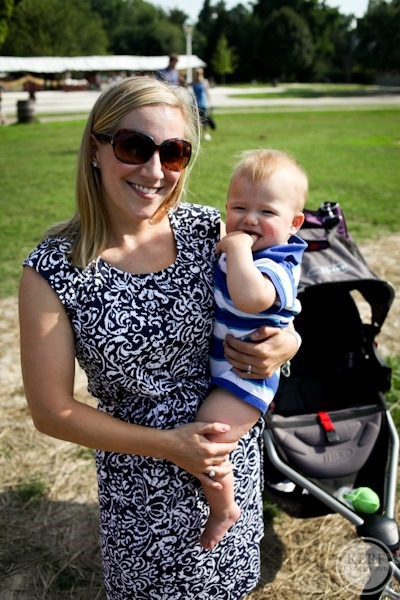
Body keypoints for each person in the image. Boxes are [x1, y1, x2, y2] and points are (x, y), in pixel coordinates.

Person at [19, 75, 299, 600]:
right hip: (141, 495)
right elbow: (50, 411)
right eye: (134, 146)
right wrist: (170, 447)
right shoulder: (52, 268)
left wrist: (289, 343)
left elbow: (267, 298)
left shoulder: (207, 230)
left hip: (229, 464)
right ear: (96, 148)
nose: (154, 171)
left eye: (173, 152)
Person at [197, 148, 308, 550]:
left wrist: (238, 249)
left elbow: (250, 298)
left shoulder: (278, 263)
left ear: (294, 224)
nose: (249, 220)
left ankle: (224, 509)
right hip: (228, 370)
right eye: (239, 207)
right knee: (208, 437)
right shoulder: (249, 250)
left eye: (267, 212)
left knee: (208, 438)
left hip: (245, 380)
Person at [191, 67, 214, 141]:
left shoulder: (204, 81)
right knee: (196, 121)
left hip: (203, 103)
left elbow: (207, 92)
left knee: (204, 120)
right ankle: (197, 134)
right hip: (195, 104)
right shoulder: (193, 82)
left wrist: (210, 102)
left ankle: (206, 133)